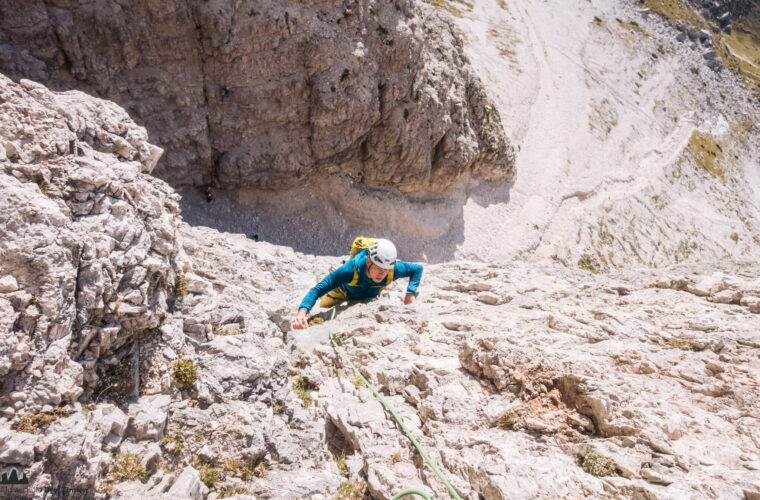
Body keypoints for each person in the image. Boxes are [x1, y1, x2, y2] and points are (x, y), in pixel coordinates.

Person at [292, 239, 423, 329]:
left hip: (367, 298)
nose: (382, 273)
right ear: (368, 262)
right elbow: (318, 290)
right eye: (378, 268)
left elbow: (417, 269)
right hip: (341, 293)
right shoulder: (349, 270)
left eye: (385, 270)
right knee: (323, 309)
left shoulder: (393, 269)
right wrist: (301, 313)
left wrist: (410, 293)